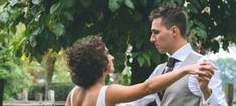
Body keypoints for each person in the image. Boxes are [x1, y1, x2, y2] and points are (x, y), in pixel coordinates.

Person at [65, 35, 216, 106]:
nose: (111, 57)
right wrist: (185, 69)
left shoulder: (73, 94)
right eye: (106, 53)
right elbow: (147, 87)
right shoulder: (107, 93)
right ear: (97, 62)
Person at [123, 5, 228, 106]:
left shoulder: (202, 65)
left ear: (174, 31)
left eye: (156, 32)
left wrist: (206, 91)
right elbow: (135, 101)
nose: (152, 39)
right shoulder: (160, 70)